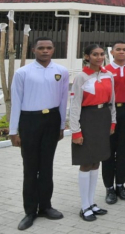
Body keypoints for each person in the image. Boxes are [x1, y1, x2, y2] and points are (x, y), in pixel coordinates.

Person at [10, 37, 69, 230]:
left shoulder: (61, 71)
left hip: (51, 121)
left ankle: (45, 206)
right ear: (33, 50)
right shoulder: (23, 72)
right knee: (30, 168)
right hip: (30, 121)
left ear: (53, 50)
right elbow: (16, 102)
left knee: (46, 167)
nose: (45, 51)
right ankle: (30, 211)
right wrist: (14, 131)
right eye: (41, 48)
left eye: (49, 48)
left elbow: (63, 100)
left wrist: (61, 125)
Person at [70, 44, 116, 221]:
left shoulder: (108, 75)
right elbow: (75, 106)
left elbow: (111, 100)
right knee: (86, 162)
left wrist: (113, 122)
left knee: (97, 162)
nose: (98, 57)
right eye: (94, 54)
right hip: (87, 119)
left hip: (103, 118)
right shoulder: (81, 77)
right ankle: (84, 205)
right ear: (87, 56)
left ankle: (92, 203)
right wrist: (76, 131)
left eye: (101, 54)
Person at [102, 41, 125, 205]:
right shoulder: (104, 71)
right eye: (118, 49)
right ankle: (109, 188)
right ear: (112, 52)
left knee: (124, 151)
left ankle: (121, 185)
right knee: (108, 153)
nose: (122, 52)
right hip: (109, 113)